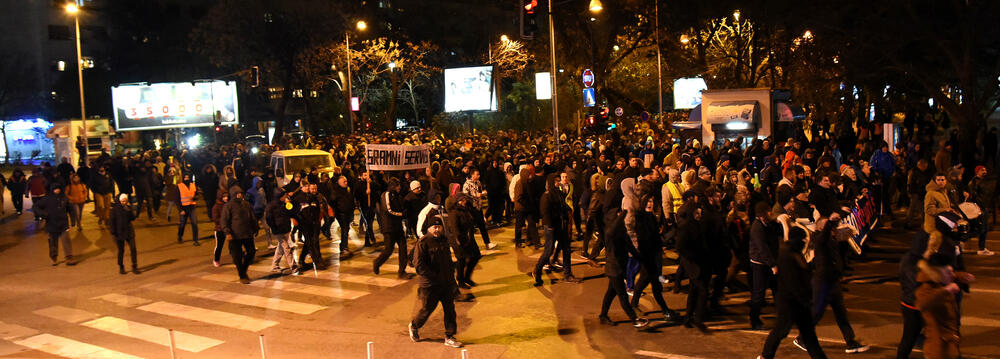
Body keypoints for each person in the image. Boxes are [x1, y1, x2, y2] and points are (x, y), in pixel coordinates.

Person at [794, 215, 870, 354]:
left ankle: (850, 342)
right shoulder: (819, 239)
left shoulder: (831, 239)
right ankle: (801, 337)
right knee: (816, 312)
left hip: (832, 281)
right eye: (830, 227)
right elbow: (823, 236)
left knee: (841, 313)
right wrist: (829, 223)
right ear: (822, 228)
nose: (834, 229)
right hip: (822, 282)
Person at [758, 227, 826, 359]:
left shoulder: (795, 252)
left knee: (809, 335)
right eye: (802, 239)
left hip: (800, 303)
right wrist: (805, 299)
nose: (804, 242)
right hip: (790, 304)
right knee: (780, 331)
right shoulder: (786, 255)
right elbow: (793, 282)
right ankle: (766, 356)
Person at [408, 217, 463, 348]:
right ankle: (414, 325)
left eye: (439, 227)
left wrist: (452, 278)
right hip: (430, 285)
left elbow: (448, 261)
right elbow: (419, 265)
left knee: (450, 309)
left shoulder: (444, 241)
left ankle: (450, 336)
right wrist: (434, 276)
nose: (437, 229)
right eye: (434, 227)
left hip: (445, 283)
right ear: (428, 228)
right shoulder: (423, 243)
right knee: (427, 309)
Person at [628, 194, 680, 322]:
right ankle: (666, 311)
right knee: (655, 285)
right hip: (648, 256)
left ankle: (633, 305)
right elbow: (645, 238)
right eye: (647, 201)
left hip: (653, 254)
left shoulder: (650, 217)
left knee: (643, 282)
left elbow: (654, 236)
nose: (650, 204)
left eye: (651, 201)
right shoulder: (641, 218)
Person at [916, 253, 974, 359]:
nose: (952, 275)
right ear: (937, 273)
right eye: (948, 273)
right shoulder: (926, 288)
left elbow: (950, 273)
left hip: (949, 343)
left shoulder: (940, 280)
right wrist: (946, 290)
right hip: (938, 349)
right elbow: (922, 304)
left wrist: (962, 276)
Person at [598, 207, 649, 329]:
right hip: (614, 269)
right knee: (623, 295)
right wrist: (624, 214)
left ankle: (603, 316)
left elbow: (630, 248)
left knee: (610, 293)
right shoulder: (609, 233)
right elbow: (613, 229)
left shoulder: (622, 232)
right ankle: (635, 320)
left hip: (620, 267)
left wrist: (641, 259)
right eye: (618, 215)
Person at [532, 174, 580, 285]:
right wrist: (550, 226)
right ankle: (537, 269)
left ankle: (568, 275)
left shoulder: (559, 193)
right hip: (551, 227)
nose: (559, 183)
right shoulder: (547, 195)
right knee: (548, 251)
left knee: (566, 249)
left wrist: (569, 212)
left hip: (560, 226)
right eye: (556, 181)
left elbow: (563, 206)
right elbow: (545, 212)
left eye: (559, 180)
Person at [748, 202, 779, 330]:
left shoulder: (767, 224)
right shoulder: (757, 228)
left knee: (777, 290)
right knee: (759, 293)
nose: (770, 213)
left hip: (767, 262)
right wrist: (772, 265)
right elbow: (762, 248)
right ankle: (754, 320)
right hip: (760, 264)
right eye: (768, 212)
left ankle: (783, 315)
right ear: (762, 214)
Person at [221, 186, 258, 284]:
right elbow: (224, 220)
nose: (240, 195)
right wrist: (227, 232)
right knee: (237, 257)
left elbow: (252, 217)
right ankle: (242, 275)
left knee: (251, 252)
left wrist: (255, 228)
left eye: (241, 193)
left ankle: (244, 268)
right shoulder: (228, 206)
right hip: (234, 236)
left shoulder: (246, 204)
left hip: (247, 233)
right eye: (237, 193)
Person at [374, 178, 410, 278]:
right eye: (398, 185)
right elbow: (388, 210)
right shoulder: (386, 195)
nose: (400, 187)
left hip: (398, 226)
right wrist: (401, 214)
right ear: (393, 186)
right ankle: (377, 263)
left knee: (403, 248)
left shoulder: (397, 196)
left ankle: (402, 271)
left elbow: (401, 207)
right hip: (389, 227)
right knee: (389, 249)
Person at [35, 184, 74, 266]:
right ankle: (54, 257)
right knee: (53, 242)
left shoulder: (64, 198)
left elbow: (70, 209)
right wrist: (43, 214)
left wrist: (73, 220)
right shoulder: (47, 199)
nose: (57, 190)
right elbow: (36, 206)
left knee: (66, 240)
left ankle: (69, 257)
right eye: (55, 189)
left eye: (58, 189)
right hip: (51, 224)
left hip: (63, 223)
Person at [462, 169, 495, 249]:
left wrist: (483, 193)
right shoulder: (467, 184)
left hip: (479, 207)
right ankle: (469, 245)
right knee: (470, 228)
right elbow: (465, 196)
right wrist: (475, 195)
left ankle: (487, 243)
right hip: (471, 208)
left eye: (479, 174)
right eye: (477, 174)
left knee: (482, 226)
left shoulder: (478, 182)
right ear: (472, 175)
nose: (478, 176)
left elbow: (480, 191)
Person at [266, 190, 297, 272]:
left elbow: (291, 213)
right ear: (280, 196)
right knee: (286, 248)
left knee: (281, 248)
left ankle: (274, 266)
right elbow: (269, 219)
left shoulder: (284, 204)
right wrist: (274, 227)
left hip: (286, 228)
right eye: (284, 195)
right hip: (278, 230)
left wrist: (288, 204)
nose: (286, 197)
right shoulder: (271, 206)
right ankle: (293, 266)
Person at [108, 193, 139, 274]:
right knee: (121, 250)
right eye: (122, 201)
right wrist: (113, 233)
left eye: (125, 201)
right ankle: (121, 266)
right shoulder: (114, 210)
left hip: (129, 232)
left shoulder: (128, 208)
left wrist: (129, 211)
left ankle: (134, 265)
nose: (124, 203)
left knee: (133, 248)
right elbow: (111, 222)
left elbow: (133, 218)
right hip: (119, 233)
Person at [966, 165, 994, 255]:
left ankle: (982, 248)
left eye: (985, 169)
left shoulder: (985, 181)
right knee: (979, 229)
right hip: (979, 208)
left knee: (984, 229)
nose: (985, 171)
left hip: (985, 207)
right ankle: (960, 241)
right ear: (977, 171)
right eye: (982, 170)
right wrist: (979, 208)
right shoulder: (973, 182)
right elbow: (974, 197)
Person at [330, 175, 356, 257]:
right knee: (344, 230)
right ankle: (344, 248)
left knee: (346, 230)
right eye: (344, 181)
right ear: (339, 182)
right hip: (341, 214)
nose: (346, 183)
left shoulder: (347, 189)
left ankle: (344, 247)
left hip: (348, 212)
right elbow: (332, 202)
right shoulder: (336, 191)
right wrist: (337, 211)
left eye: (346, 181)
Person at [176, 173, 200, 246]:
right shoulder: (179, 186)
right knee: (182, 224)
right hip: (183, 208)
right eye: (185, 177)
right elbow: (177, 199)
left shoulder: (193, 185)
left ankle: (196, 240)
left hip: (191, 206)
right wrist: (180, 210)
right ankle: (180, 236)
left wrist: (195, 197)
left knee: (194, 223)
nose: (186, 179)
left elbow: (196, 194)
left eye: (187, 177)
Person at [211, 191, 229, 267]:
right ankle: (216, 259)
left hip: (228, 228)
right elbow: (215, 219)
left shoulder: (228, 205)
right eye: (224, 197)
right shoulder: (216, 207)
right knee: (219, 245)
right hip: (220, 229)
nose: (226, 198)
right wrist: (224, 221)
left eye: (227, 196)